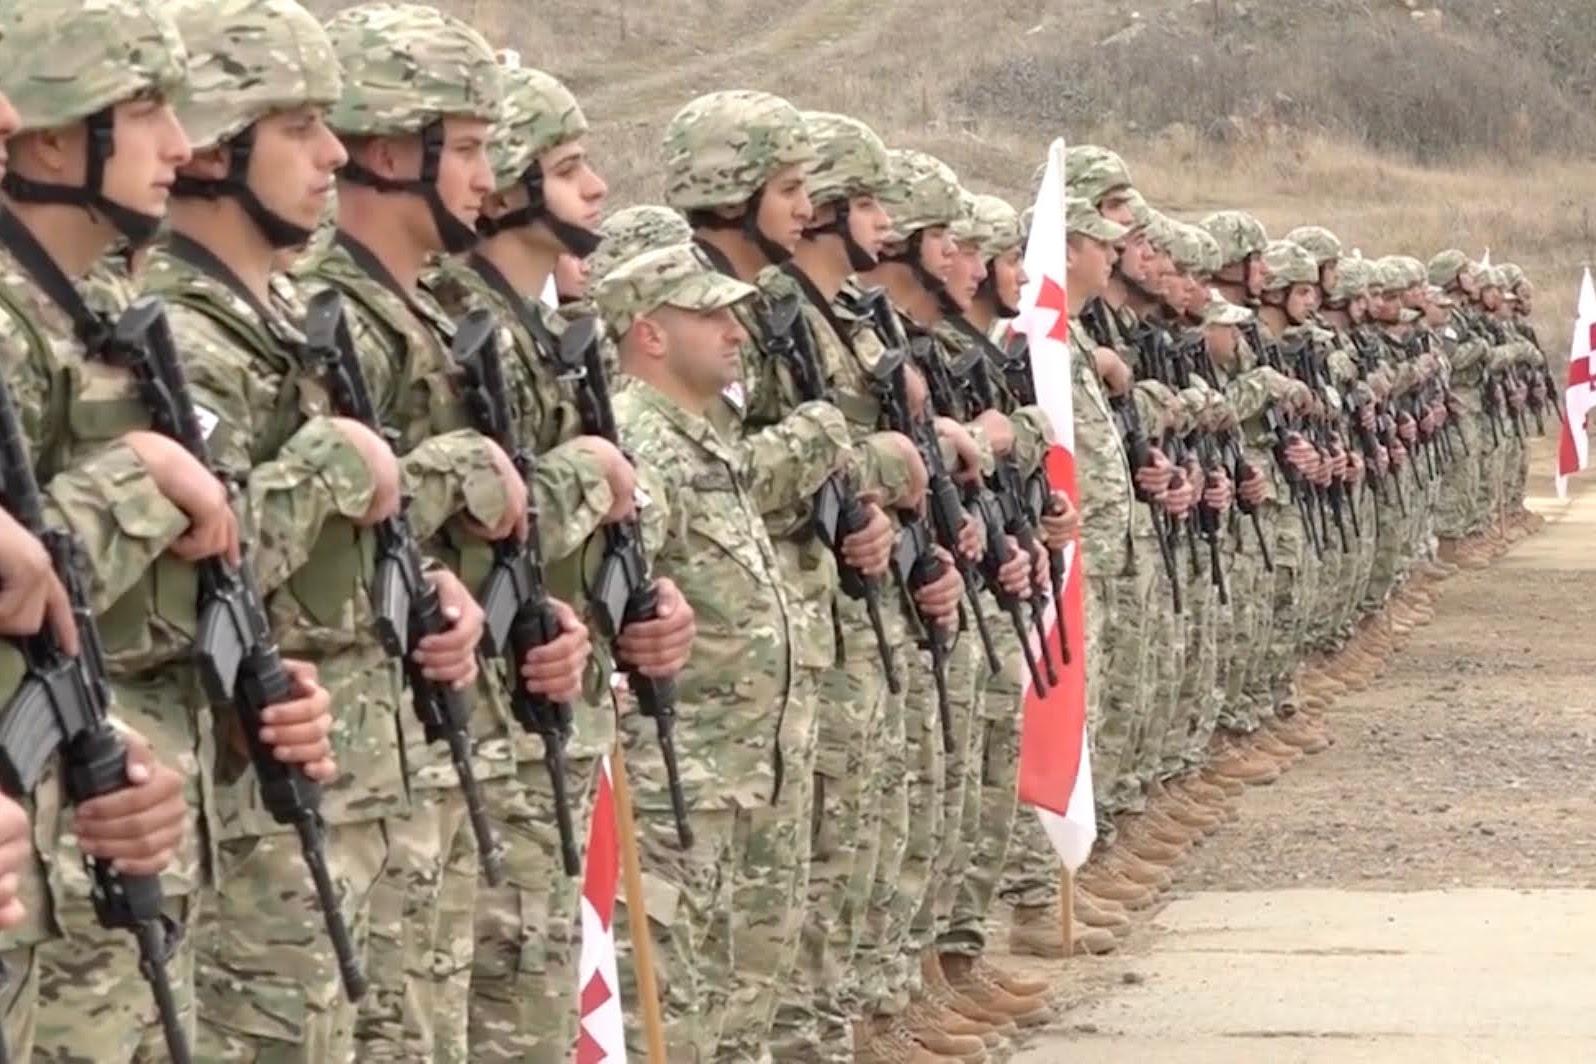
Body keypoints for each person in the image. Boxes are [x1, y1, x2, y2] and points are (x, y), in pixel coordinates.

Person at [0, 1, 326, 1057]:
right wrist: (142, 479)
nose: (181, 150)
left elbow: (102, 629)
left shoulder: (93, 316)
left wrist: (237, 706)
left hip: (109, 844)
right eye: (146, 111)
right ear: (54, 132)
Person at [423, 60, 694, 1064]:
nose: (599, 189)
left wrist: (632, 605)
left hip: (540, 715)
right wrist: (588, 480)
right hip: (475, 736)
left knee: (534, 994)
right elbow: (457, 518)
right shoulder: (456, 328)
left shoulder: (536, 336)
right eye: (570, 166)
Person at [307, 4, 550, 1058]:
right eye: (471, 147)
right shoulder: (328, 317)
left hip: (432, 738)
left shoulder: (419, 317)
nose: (488, 180)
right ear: (394, 151)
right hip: (354, 759)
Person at [598, 242, 831, 1062]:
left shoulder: (700, 436)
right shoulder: (639, 442)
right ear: (650, 335)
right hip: (677, 784)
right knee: (675, 1018)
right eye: (711, 315)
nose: (736, 332)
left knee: (737, 1008)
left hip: (738, 778)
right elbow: (614, 584)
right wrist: (638, 615)